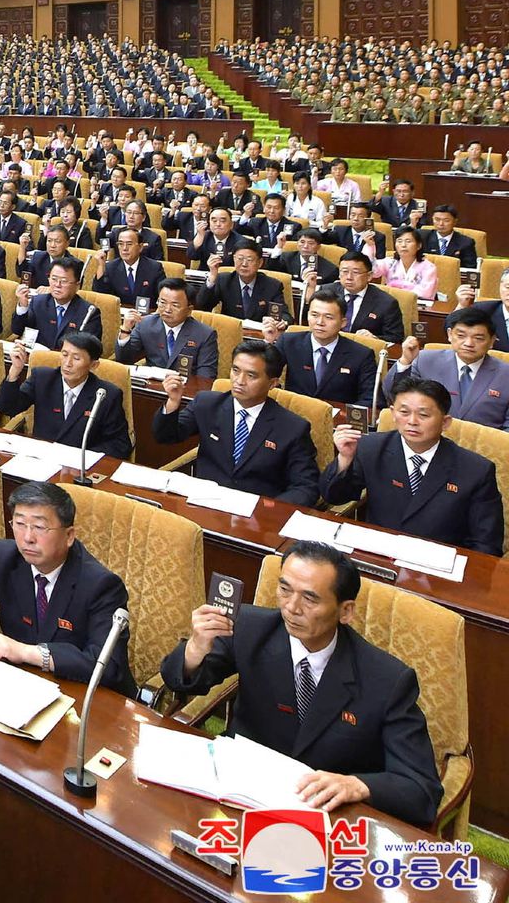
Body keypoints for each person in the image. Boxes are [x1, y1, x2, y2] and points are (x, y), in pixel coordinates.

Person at [159, 541, 442, 826]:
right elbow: (180, 681)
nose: (291, 608)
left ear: (345, 611)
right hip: (240, 798)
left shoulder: (388, 680)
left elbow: (421, 789)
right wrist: (195, 648)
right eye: (285, 590)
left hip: (326, 818)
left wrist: (357, 785)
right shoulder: (250, 628)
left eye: (310, 598)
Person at [0, 480, 136, 695]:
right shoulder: (3, 558)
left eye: (39, 527)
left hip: (82, 695)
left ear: (69, 536)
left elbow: (108, 667)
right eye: (19, 524)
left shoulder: (101, 585)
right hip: (21, 685)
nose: (28, 538)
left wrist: (27, 652)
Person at [322, 375, 503, 555]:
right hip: (380, 554)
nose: (412, 421)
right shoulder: (371, 448)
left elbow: (486, 543)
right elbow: (334, 497)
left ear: (445, 422)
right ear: (393, 413)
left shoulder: (476, 470)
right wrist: (345, 459)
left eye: (423, 415)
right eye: (404, 412)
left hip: (436, 564)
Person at [153, 339, 322, 505]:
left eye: (251, 375)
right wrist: (173, 403)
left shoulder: (292, 428)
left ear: (272, 383)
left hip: (255, 520)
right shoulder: (207, 404)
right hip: (203, 506)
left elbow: (306, 487)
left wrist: (268, 511)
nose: (239, 381)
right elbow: (165, 436)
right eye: (235, 370)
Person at [0, 332, 132, 460]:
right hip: (40, 461)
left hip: (79, 467)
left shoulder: (106, 394)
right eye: (64, 355)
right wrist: (15, 371)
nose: (68, 363)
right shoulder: (42, 379)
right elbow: (7, 407)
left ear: (93, 365)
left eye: (76, 358)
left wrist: (81, 457)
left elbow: (120, 444)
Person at [386, 305, 509, 428]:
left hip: (483, 444)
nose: (469, 343)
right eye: (461, 336)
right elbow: (393, 396)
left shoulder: (505, 374)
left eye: (478, 338)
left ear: (492, 341)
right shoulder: (425, 360)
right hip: (429, 440)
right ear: (450, 334)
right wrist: (405, 362)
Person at [264, 287, 378, 407]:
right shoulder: (288, 341)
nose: (320, 322)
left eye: (328, 317)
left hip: (337, 421)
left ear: (343, 322)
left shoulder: (362, 355)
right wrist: (269, 341)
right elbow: (265, 374)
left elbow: (369, 399)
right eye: (314, 315)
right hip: (293, 413)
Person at [12, 256, 103, 348]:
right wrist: (23, 307)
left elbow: (91, 349)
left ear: (77, 285)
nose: (57, 285)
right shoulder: (38, 302)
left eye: (64, 281)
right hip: (39, 358)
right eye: (54, 279)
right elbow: (17, 330)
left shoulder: (89, 312)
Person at [336, 252, 406, 344]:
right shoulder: (326, 293)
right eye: (344, 271)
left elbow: (396, 338)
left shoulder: (386, 303)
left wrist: (375, 339)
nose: (349, 277)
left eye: (355, 272)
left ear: (369, 276)